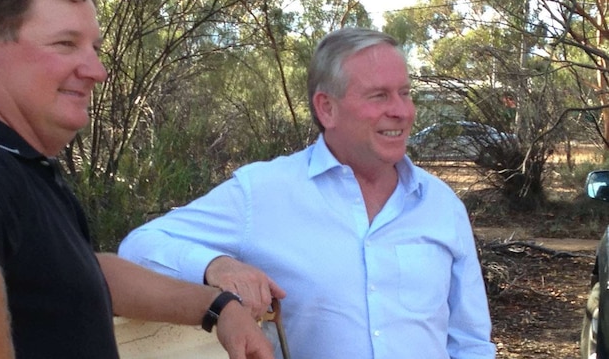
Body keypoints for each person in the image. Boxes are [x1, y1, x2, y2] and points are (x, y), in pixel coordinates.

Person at [0, 0, 274, 359]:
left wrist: (215, 306)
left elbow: (73, 273)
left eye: (94, 48)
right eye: (66, 44)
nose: (96, 70)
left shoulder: (19, 165)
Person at [119, 27, 496, 359]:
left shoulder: (441, 205)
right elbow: (140, 245)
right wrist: (216, 266)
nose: (401, 111)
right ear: (326, 108)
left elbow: (470, 342)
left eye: (405, 93)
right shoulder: (263, 192)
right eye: (379, 96)